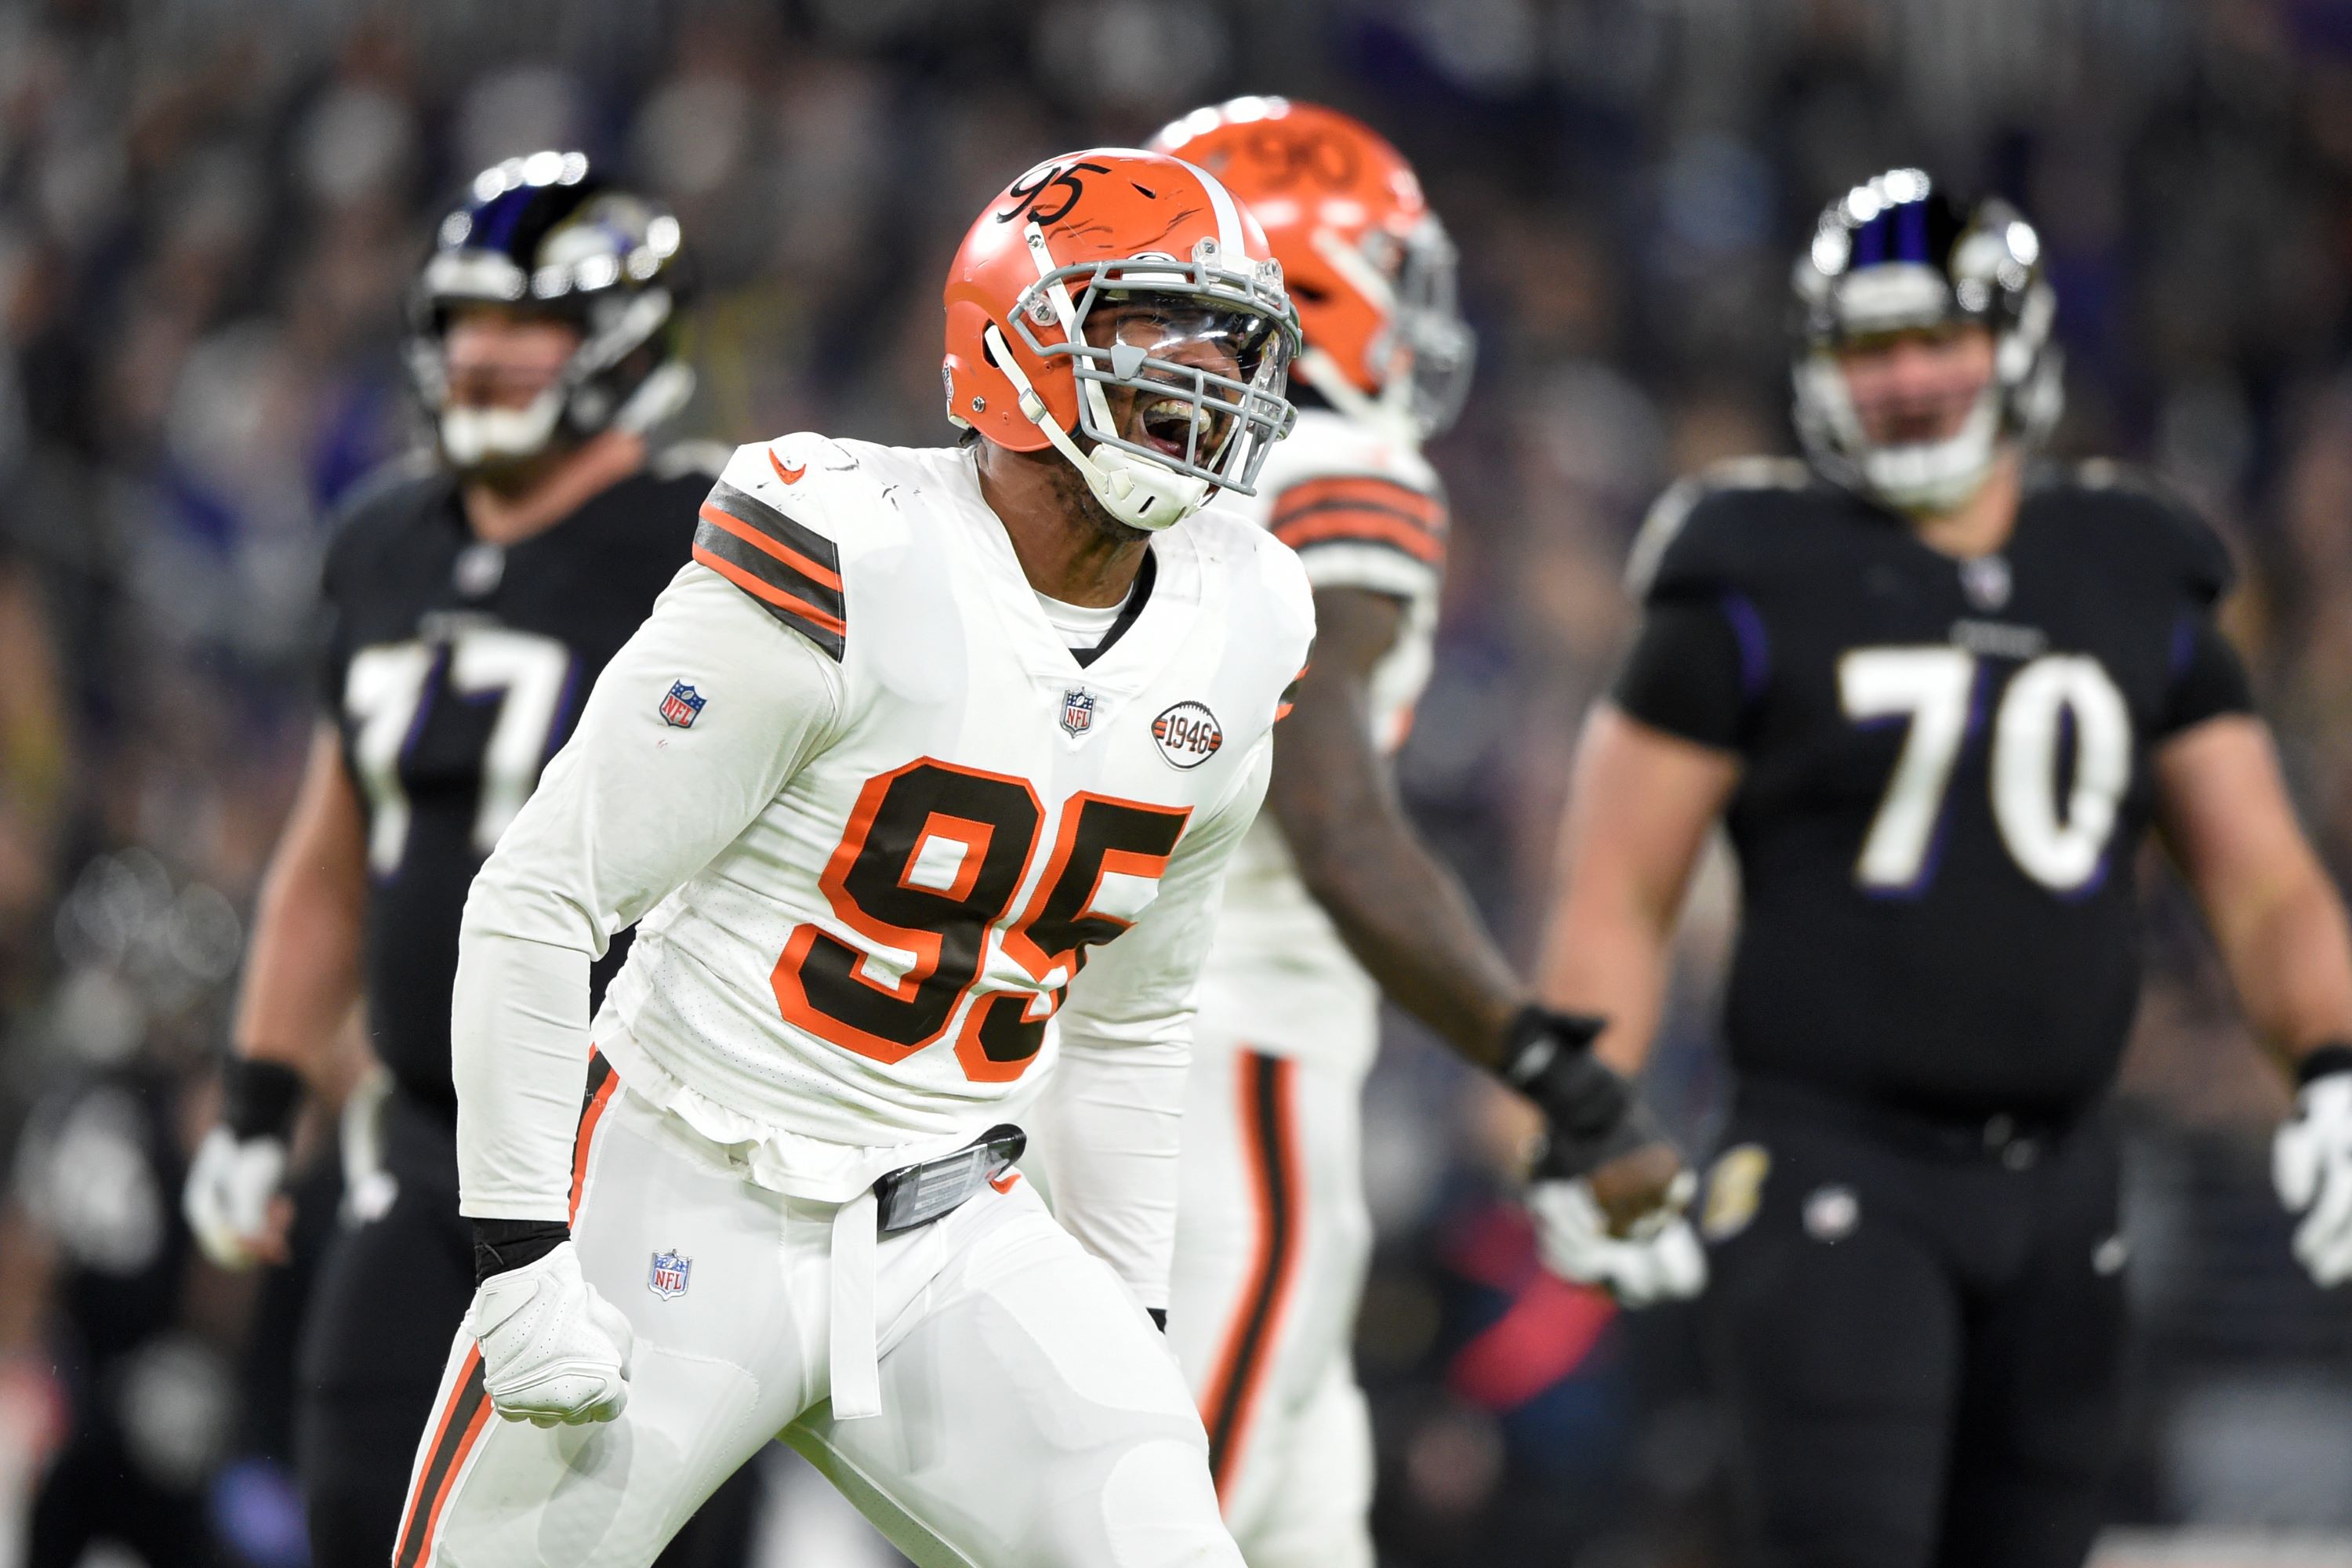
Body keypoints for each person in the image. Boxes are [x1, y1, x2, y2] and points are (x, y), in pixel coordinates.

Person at [386, 146, 1316, 1568]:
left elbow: (1134, 1017)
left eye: (1223, 336)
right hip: (687, 1173)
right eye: (1152, 329)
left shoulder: (1240, 616)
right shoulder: (852, 546)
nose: (1204, 376)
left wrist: (1117, 1323)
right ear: (1017, 344)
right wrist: (519, 1256)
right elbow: (539, 897)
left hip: (949, 1216)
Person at [1537, 169, 2352, 1568]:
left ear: (2016, 344)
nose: (1908, 378)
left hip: (2069, 1180)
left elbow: (2261, 875)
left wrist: (2334, 1064)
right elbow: (1621, 879)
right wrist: (1586, 1103)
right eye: (1871, 346)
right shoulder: (1747, 560)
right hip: (1827, 1161)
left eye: (1937, 339)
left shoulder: (2131, 562)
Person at [178, 152, 760, 1566]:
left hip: (635, 1158)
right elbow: (335, 842)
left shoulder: (719, 542)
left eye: (529, 326)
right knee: (360, 1517)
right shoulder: (382, 540)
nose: (487, 358)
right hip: (423, 1139)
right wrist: (260, 1093)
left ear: (621, 340)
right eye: (466, 323)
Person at [1144, 98, 1702, 1568]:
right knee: (1159, 1531)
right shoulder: (1337, 465)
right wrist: (1557, 1075)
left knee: (1304, 1522)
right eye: (1386, 265)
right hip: (1239, 1058)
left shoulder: (1141, 480)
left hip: (1137, 1047)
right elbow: (1336, 823)